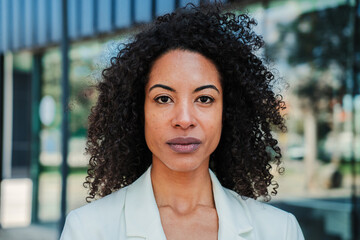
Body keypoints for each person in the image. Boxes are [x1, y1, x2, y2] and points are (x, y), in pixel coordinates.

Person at [60, 3, 304, 240]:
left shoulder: (279, 230)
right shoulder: (88, 230)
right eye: (164, 98)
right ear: (138, 110)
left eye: (205, 99)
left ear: (226, 112)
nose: (184, 120)